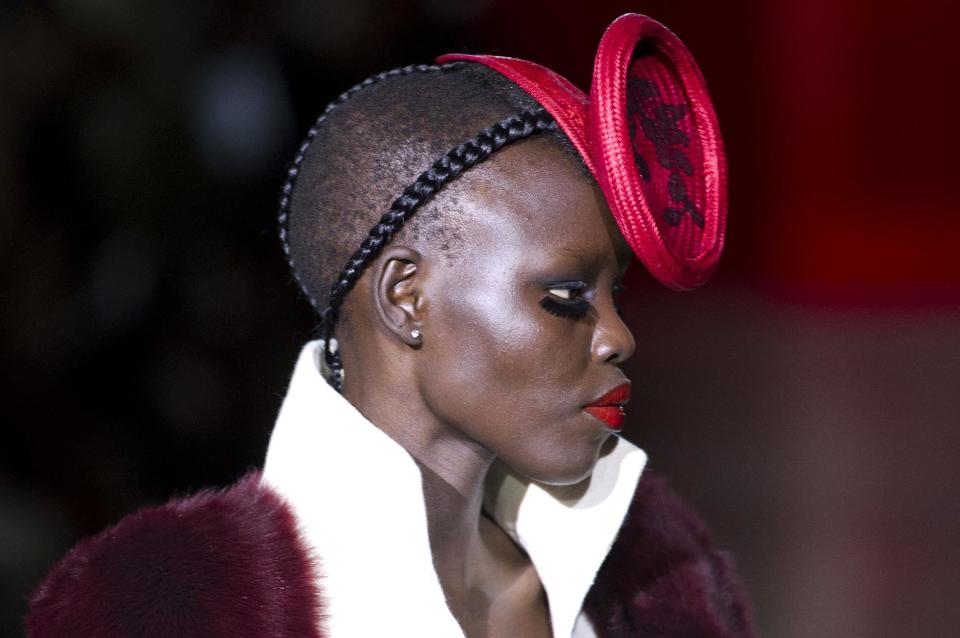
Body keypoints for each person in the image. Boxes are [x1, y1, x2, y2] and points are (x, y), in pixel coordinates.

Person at [26, 14, 757, 638]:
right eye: (566, 297)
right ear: (407, 297)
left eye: (614, 295)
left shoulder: (659, 574)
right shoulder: (161, 608)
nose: (617, 337)